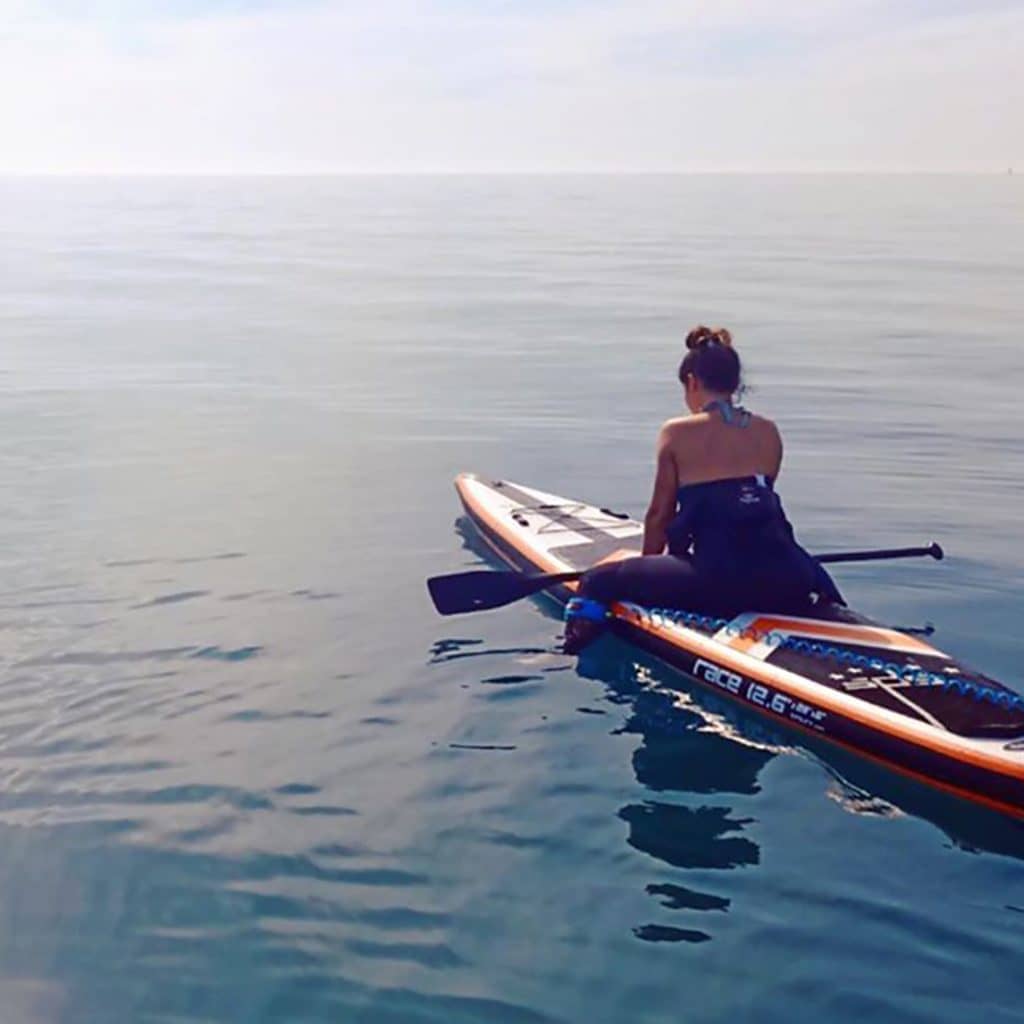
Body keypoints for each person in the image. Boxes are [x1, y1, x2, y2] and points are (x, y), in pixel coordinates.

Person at [562, 325, 844, 654]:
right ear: (736, 385)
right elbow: (754, 512)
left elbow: (659, 516)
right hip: (790, 578)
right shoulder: (769, 432)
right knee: (805, 568)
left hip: (720, 582)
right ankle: (844, 619)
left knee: (597, 582)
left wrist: (647, 576)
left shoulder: (676, 433)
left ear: (692, 382)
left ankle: (569, 649)